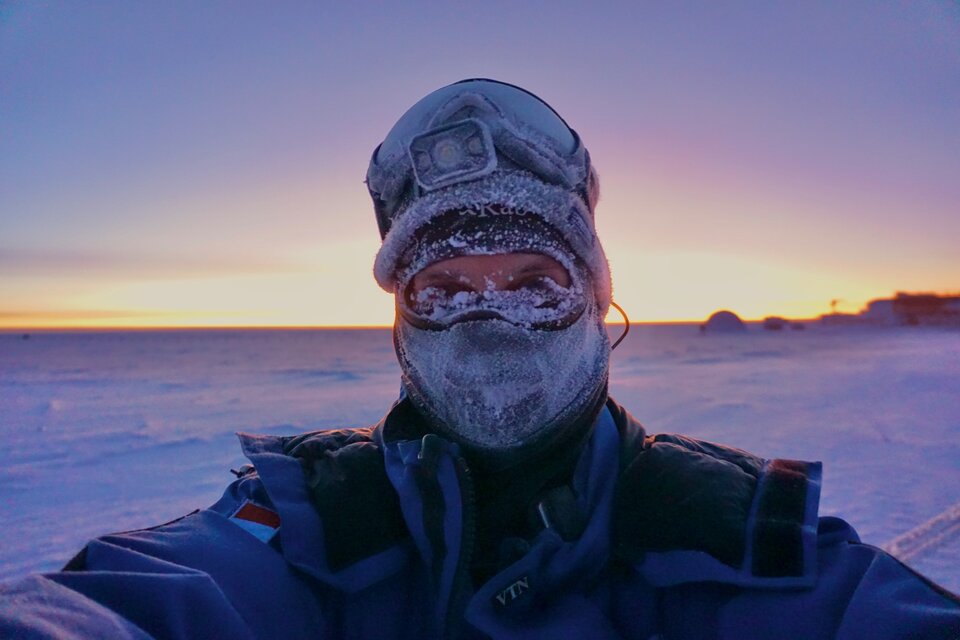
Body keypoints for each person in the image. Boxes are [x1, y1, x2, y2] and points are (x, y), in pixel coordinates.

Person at [1, 78, 958, 639]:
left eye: (535, 282)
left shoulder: (733, 538)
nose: (489, 316)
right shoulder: (305, 521)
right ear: (399, 319)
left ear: (597, 302)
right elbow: (150, 598)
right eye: (446, 289)